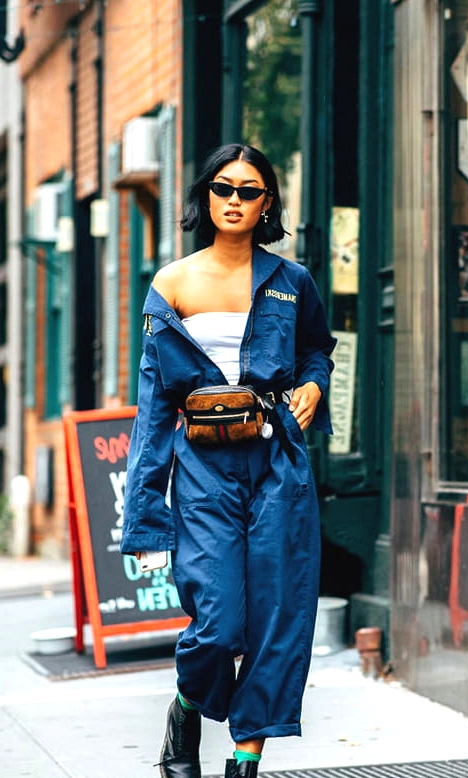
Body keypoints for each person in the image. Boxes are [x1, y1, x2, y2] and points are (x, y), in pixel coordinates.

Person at [120, 143, 336, 778]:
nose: (234, 200)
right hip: (204, 469)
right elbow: (155, 405)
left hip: (278, 466)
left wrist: (314, 386)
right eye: (223, 188)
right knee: (217, 621)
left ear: (268, 202)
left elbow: (317, 351)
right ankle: (187, 709)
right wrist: (145, 514)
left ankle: (245, 762)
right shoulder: (173, 282)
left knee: (277, 615)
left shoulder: (292, 282)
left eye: (249, 190)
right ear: (205, 197)